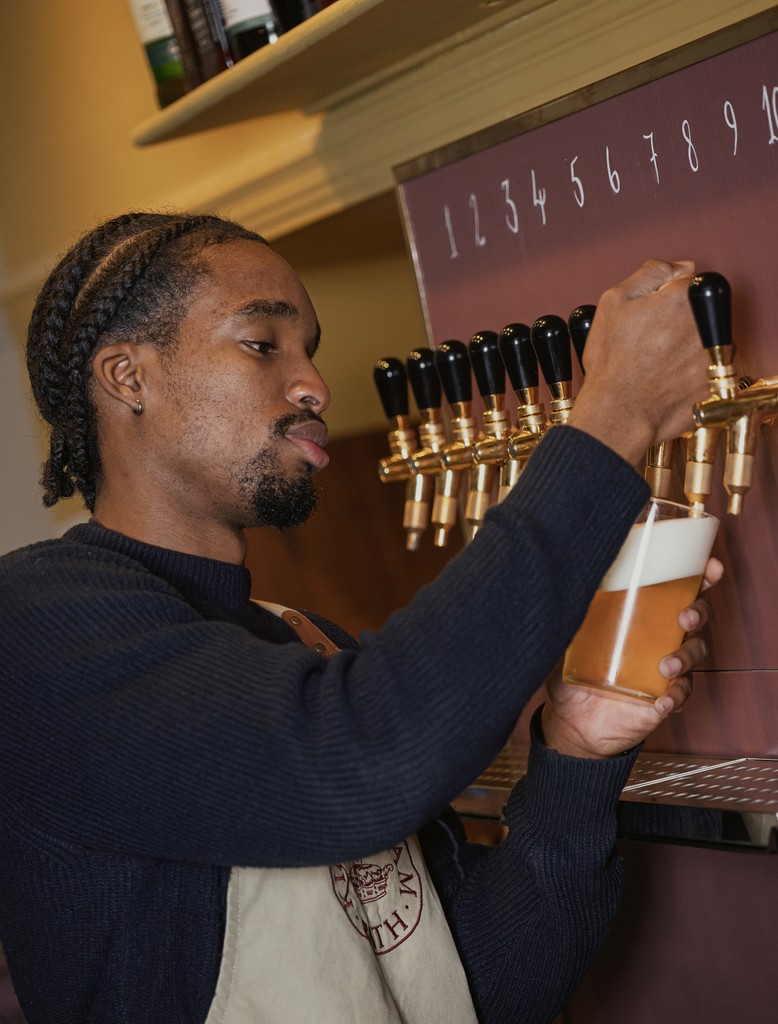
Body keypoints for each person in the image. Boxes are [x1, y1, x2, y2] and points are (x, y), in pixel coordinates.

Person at [0, 212, 719, 1024]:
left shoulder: (304, 642)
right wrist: (611, 419)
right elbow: (354, 756)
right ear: (128, 377)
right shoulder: (33, 623)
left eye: (309, 350)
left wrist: (578, 754)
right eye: (263, 344)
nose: (314, 386)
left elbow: (483, 988)